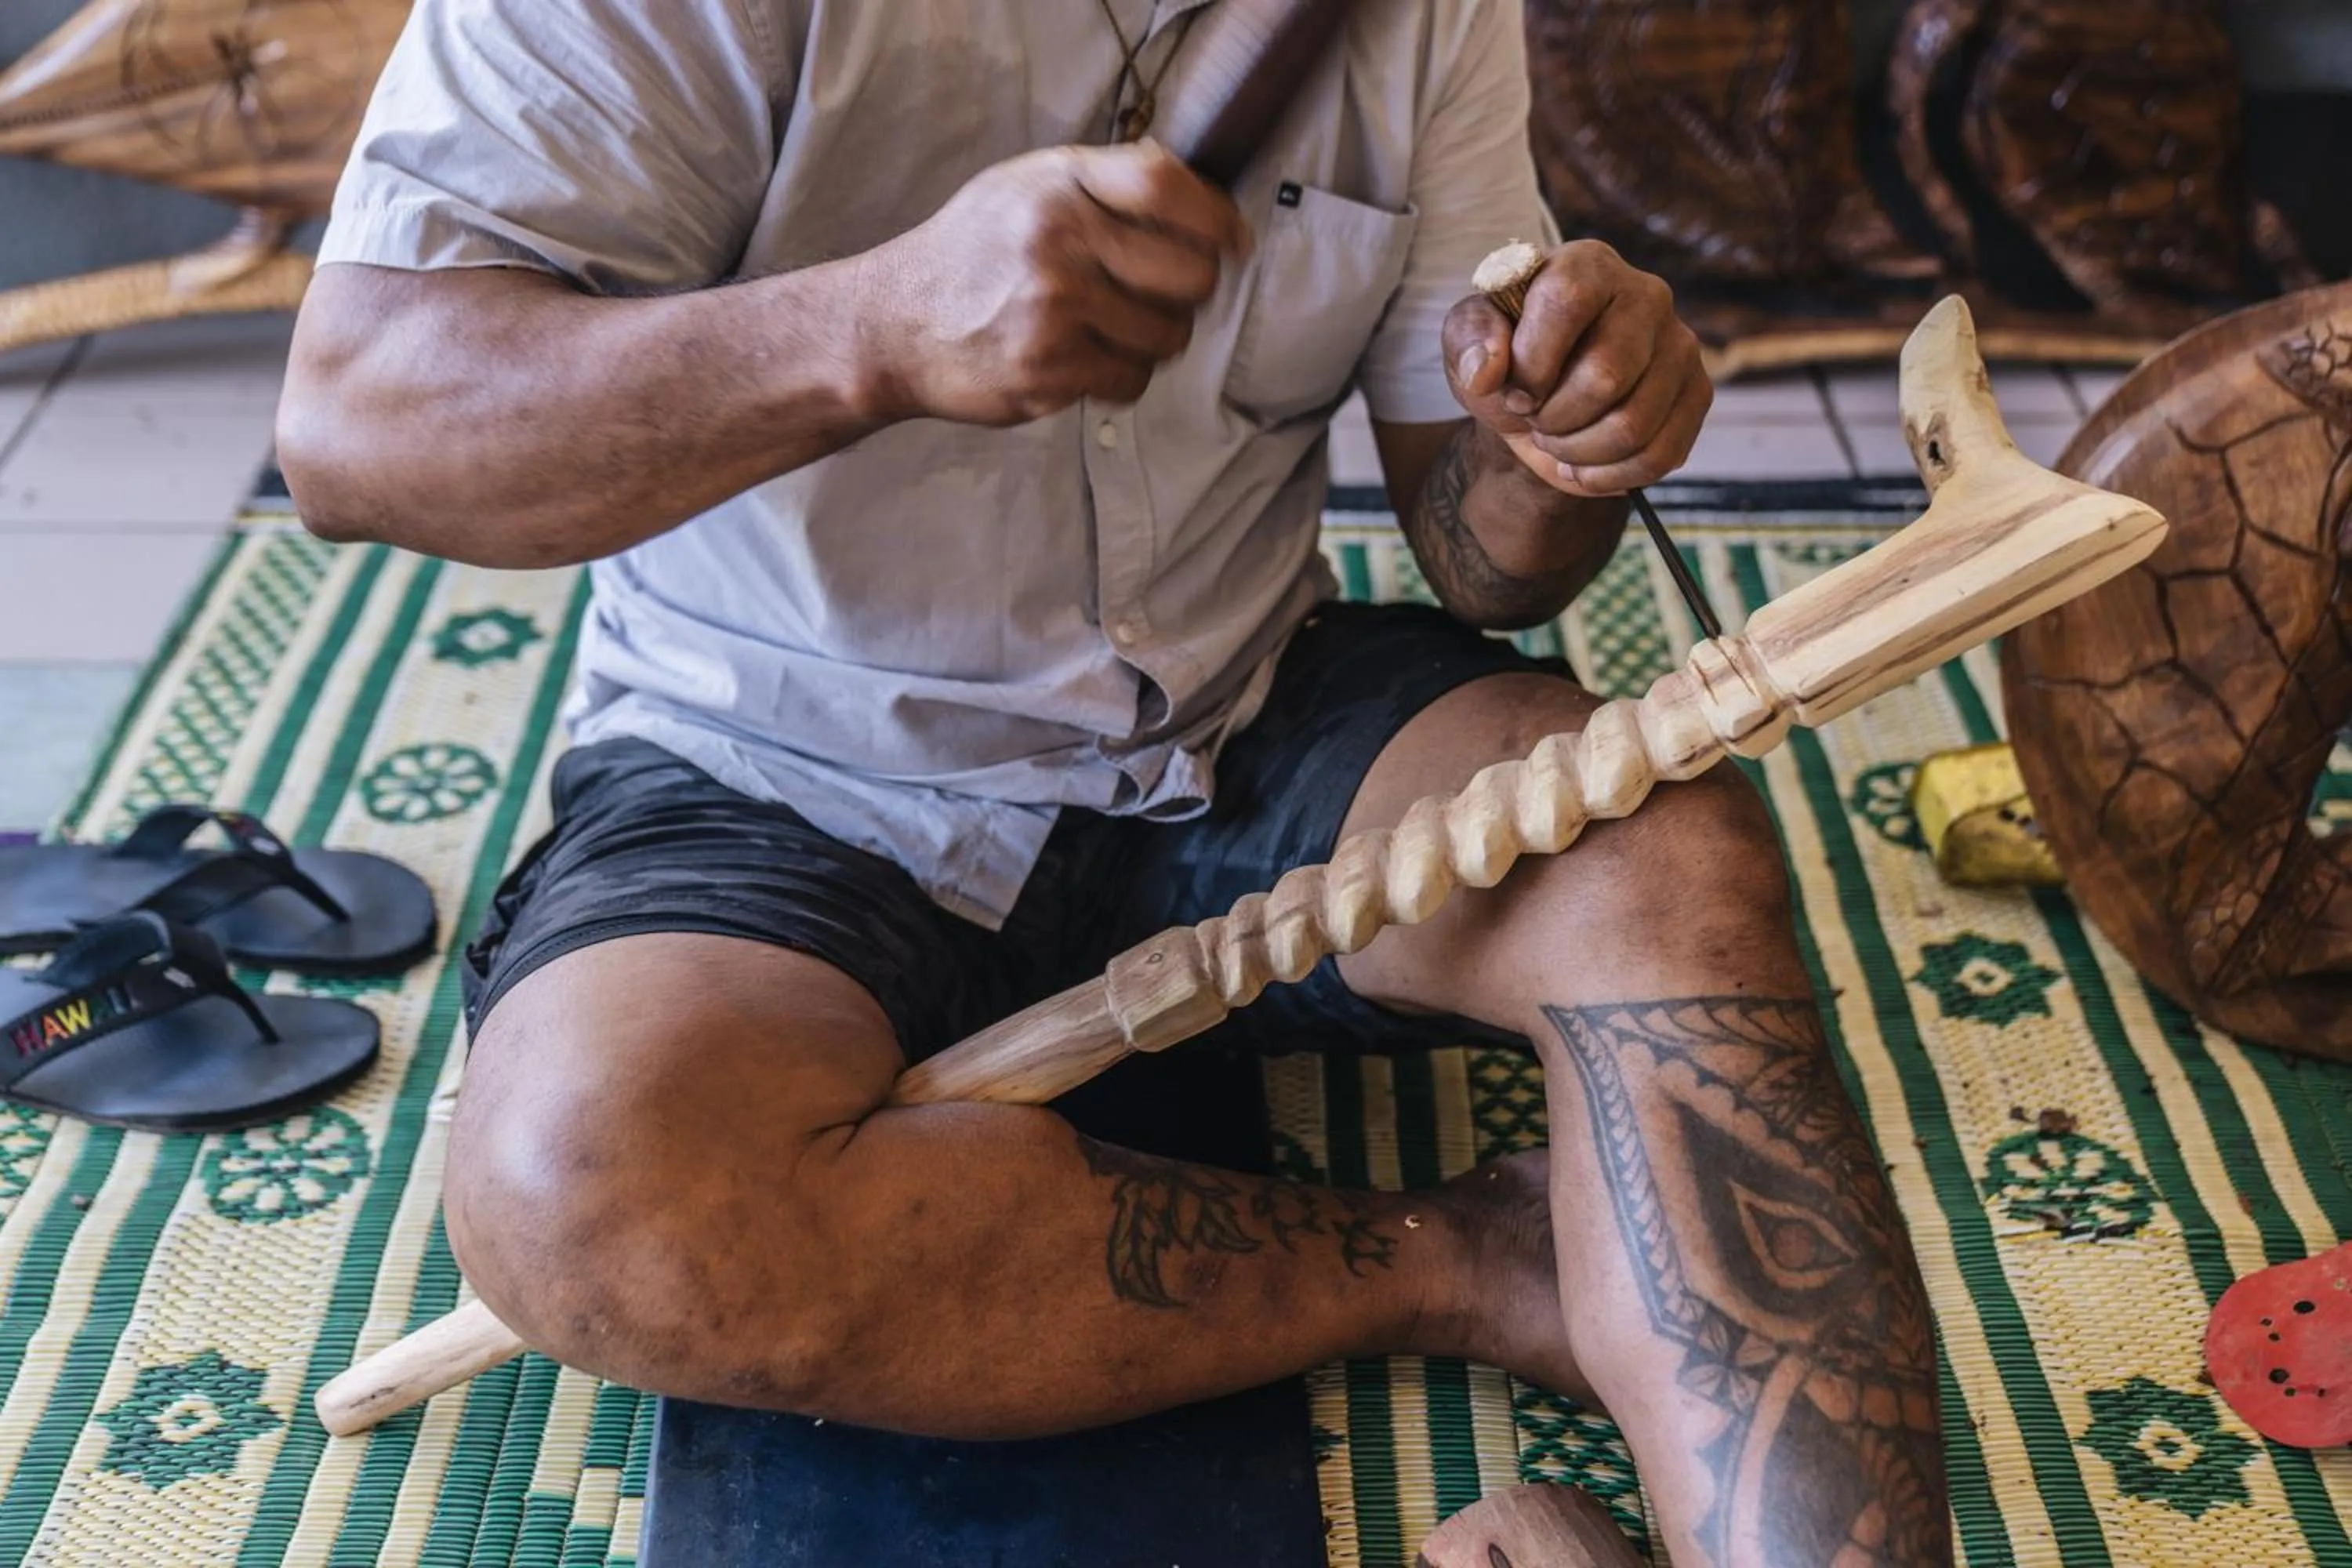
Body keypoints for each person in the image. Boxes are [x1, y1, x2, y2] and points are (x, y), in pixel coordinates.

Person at [280, 1, 1951, 1561]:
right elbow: (358, 425)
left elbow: (1481, 560)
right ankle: (1466, 1261)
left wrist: (1557, 439)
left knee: (1655, 851)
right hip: (777, 760)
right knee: (588, 1184)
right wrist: (870, 328)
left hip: (1235, 713)